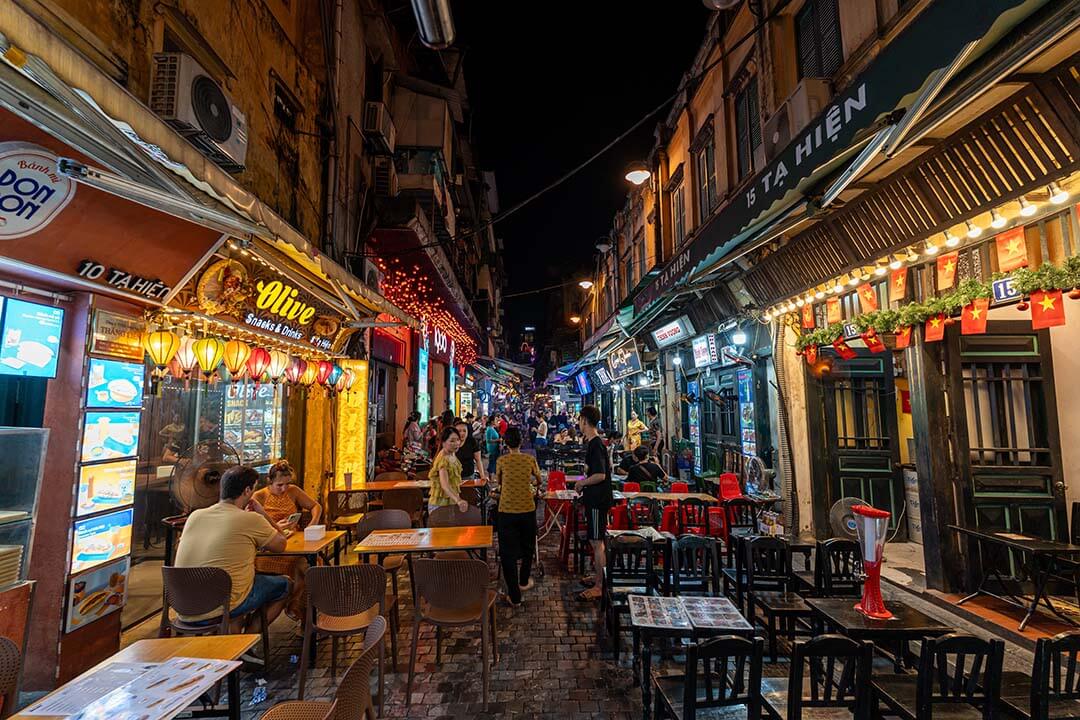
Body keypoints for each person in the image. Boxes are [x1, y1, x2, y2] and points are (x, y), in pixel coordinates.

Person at [174, 465, 289, 634]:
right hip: (222, 604)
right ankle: (248, 639)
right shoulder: (251, 519)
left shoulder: (195, 516)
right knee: (285, 585)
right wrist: (262, 513)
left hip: (184, 606)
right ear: (247, 490)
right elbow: (281, 544)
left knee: (239, 582)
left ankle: (232, 639)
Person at [250, 460, 321, 619]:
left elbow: (316, 506)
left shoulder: (293, 491)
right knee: (302, 567)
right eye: (279, 485)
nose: (283, 489)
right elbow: (254, 526)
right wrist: (274, 525)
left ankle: (298, 607)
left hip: (294, 540)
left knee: (308, 567)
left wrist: (312, 523)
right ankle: (295, 606)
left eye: (287, 484)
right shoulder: (259, 497)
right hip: (271, 548)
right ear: (270, 481)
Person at [494, 427, 540, 607]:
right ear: (521, 442)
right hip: (527, 509)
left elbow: (499, 483)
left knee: (507, 553)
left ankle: (514, 596)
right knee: (528, 547)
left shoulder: (501, 461)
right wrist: (529, 484)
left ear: (506, 443)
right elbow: (538, 480)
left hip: (506, 511)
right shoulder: (530, 459)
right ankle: (523, 581)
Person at [574, 405, 612, 602]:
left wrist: (582, 483)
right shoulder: (595, 443)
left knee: (597, 543)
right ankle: (599, 576)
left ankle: (599, 586)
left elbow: (600, 474)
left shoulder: (596, 444)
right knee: (595, 540)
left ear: (584, 420)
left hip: (597, 500)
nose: (578, 423)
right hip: (594, 499)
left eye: (579, 419)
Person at [429, 426, 469, 514]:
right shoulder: (443, 459)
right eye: (452, 441)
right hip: (440, 504)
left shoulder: (452, 454)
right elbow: (445, 485)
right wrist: (458, 500)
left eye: (458, 440)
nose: (456, 443)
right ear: (443, 442)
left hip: (451, 501)